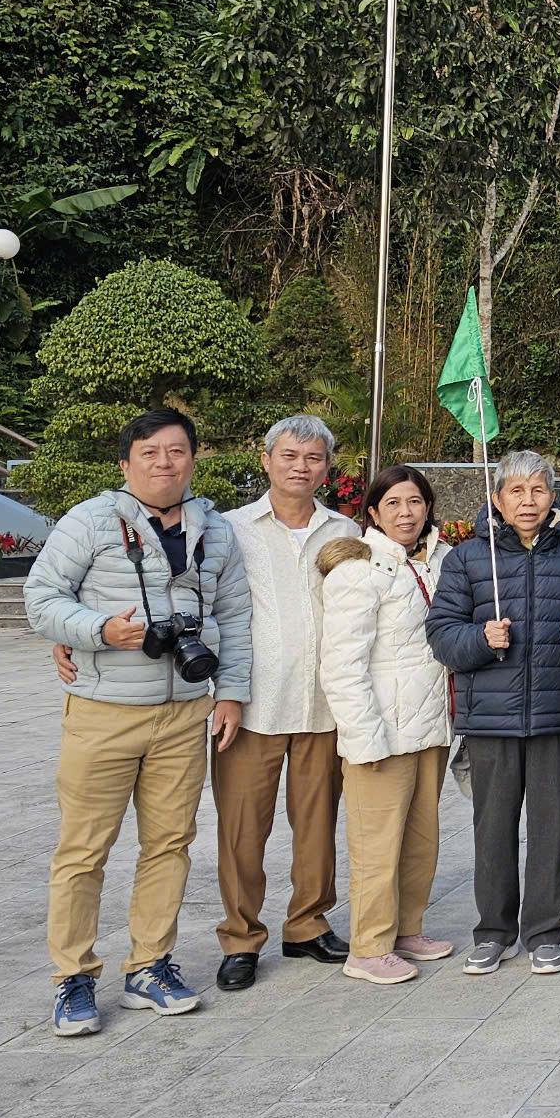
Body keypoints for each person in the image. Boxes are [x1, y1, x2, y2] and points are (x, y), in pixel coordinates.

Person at [28, 407, 253, 1036]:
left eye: (177, 451)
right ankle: (73, 977)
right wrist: (100, 630)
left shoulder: (217, 532)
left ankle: (149, 965)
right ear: (126, 463)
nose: (164, 462)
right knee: (83, 850)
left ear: (193, 458)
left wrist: (230, 692)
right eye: (150, 452)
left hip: (186, 712)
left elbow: (234, 618)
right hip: (103, 712)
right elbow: (41, 598)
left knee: (170, 845)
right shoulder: (92, 520)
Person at [426, 450, 560, 977]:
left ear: (552, 497)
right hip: (491, 720)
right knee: (492, 831)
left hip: (557, 714)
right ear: (496, 499)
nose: (528, 501)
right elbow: (440, 633)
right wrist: (479, 637)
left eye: (538, 490)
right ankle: (493, 931)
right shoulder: (469, 559)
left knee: (551, 829)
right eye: (516, 492)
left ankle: (545, 931)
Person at [211, 415, 360, 991]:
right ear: (267, 458)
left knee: (318, 823)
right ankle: (241, 936)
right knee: (242, 828)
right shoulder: (230, 530)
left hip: (325, 706)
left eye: (314, 458)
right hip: (251, 707)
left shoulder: (344, 530)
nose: (301, 467)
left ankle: (307, 924)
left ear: (328, 466)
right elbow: (209, 608)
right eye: (290, 456)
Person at [315, 464, 455, 985]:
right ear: (373, 512)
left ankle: (406, 928)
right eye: (393, 503)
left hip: (430, 726)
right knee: (376, 843)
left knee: (421, 837)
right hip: (381, 731)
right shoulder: (359, 570)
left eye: (415, 502)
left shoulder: (436, 561)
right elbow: (343, 664)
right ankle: (369, 946)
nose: (406, 512)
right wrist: (362, 735)